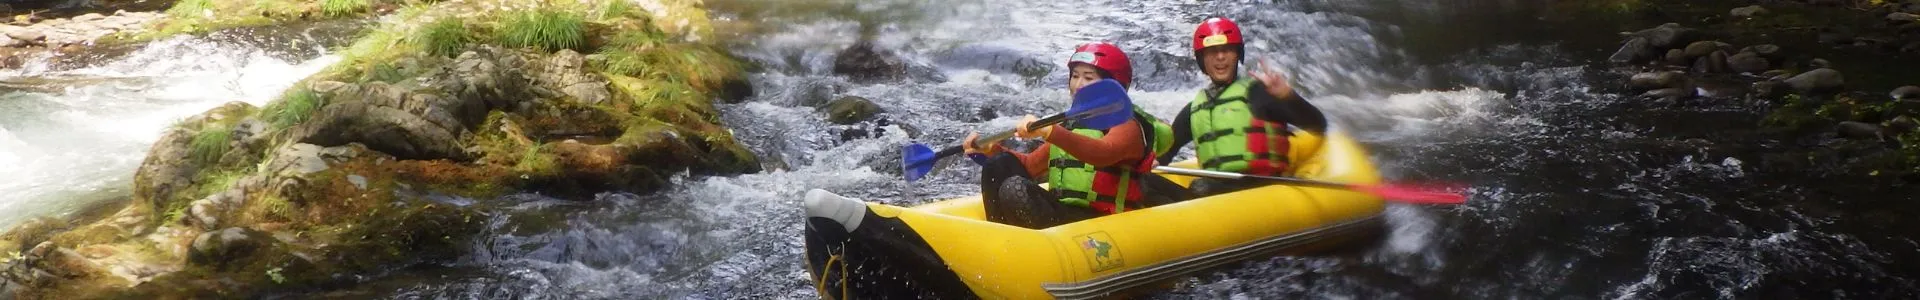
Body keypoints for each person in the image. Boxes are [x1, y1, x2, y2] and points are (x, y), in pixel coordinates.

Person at [960, 42, 1178, 229]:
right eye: (1075, 76)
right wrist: (991, 151)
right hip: (1066, 214)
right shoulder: (1074, 125)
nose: (1078, 85)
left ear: (1113, 86)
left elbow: (1103, 153)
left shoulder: (1127, 124)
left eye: (1088, 78)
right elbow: (1030, 166)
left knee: (1013, 190)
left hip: (1104, 221)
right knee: (999, 164)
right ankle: (1000, 240)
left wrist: (1052, 132)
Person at [1157, 17, 1330, 197]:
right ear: (1202, 60)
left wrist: (1288, 97)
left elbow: (1318, 125)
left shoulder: (1260, 93)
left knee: (1203, 187)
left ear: (1237, 55)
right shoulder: (1193, 110)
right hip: (1214, 196)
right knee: (1147, 180)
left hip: (1264, 189)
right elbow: (1165, 154)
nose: (1220, 57)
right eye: (1212, 52)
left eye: (1227, 50)